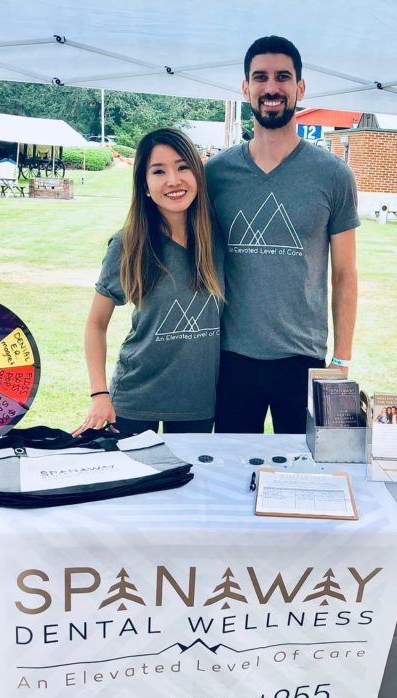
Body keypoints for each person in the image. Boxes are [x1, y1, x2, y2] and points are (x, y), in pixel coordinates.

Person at [205, 36, 359, 434]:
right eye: (260, 78)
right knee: (232, 478)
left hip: (304, 359)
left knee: (308, 477)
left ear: (300, 88)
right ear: (245, 88)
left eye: (282, 77)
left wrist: (341, 361)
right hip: (232, 355)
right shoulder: (215, 174)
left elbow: (345, 274)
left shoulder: (334, 176)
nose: (271, 88)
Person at [74, 127, 224, 436]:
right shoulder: (129, 243)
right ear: (144, 185)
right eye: (159, 171)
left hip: (197, 404)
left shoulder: (218, 239)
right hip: (134, 399)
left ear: (197, 174)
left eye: (183, 167)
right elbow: (96, 324)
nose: (173, 180)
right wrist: (99, 394)